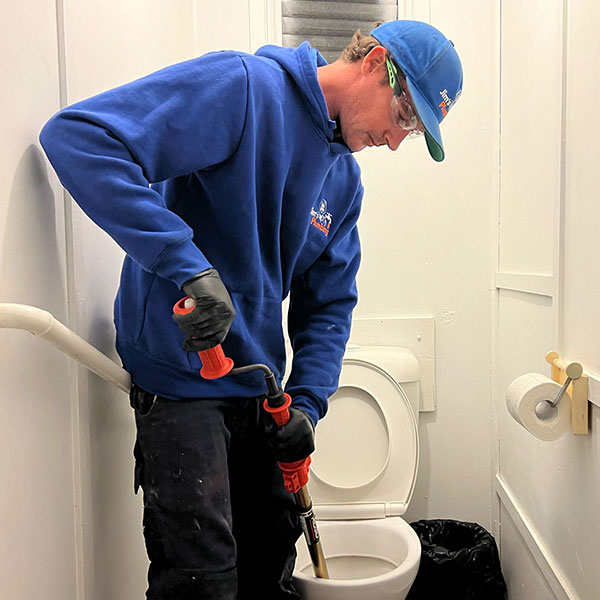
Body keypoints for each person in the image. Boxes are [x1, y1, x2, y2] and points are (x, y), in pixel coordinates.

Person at [40, 19, 462, 600]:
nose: (396, 141)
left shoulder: (343, 182)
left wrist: (308, 406)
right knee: (203, 583)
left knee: (269, 570)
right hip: (183, 379)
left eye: (412, 134)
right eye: (407, 116)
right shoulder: (244, 89)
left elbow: (329, 306)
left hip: (259, 391)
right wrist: (184, 263)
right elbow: (79, 138)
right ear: (375, 62)